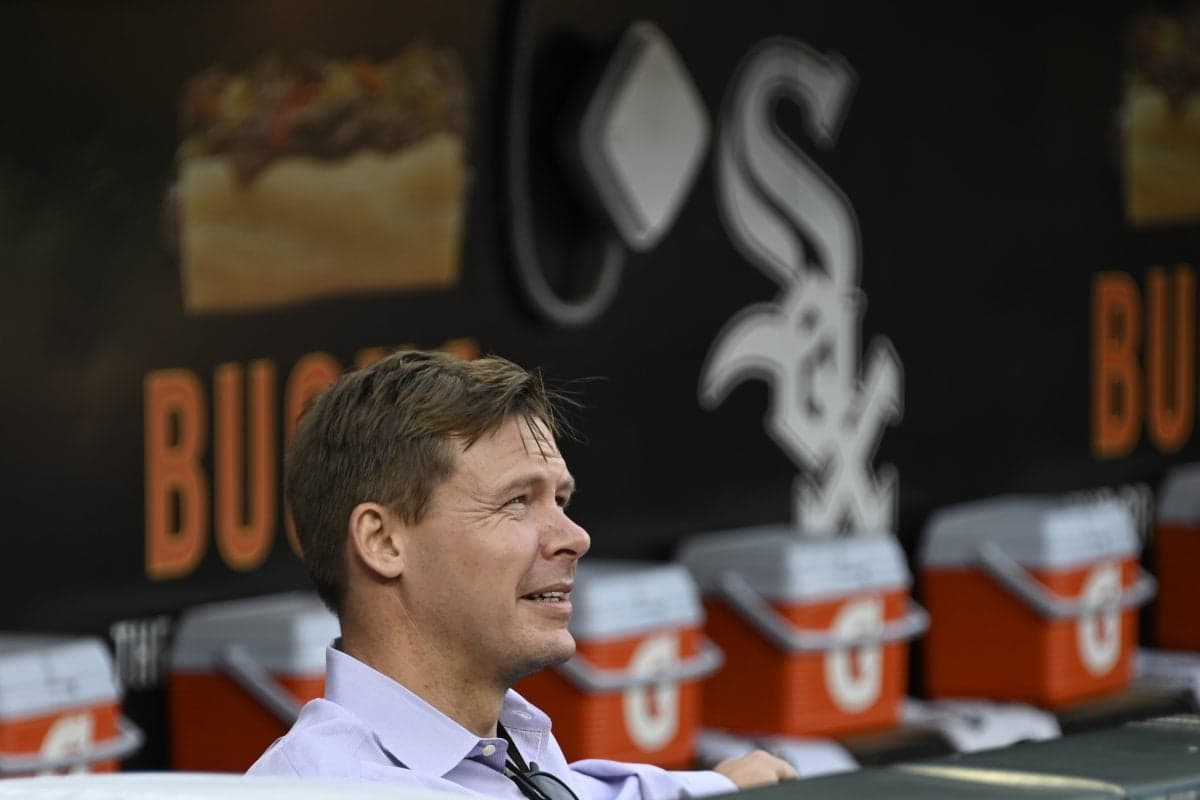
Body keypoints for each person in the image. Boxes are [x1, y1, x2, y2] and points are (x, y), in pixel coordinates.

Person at [248, 350, 797, 797]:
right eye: (516, 502)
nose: (575, 537)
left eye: (560, 500)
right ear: (383, 541)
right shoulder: (314, 790)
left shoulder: (515, 757)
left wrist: (727, 786)